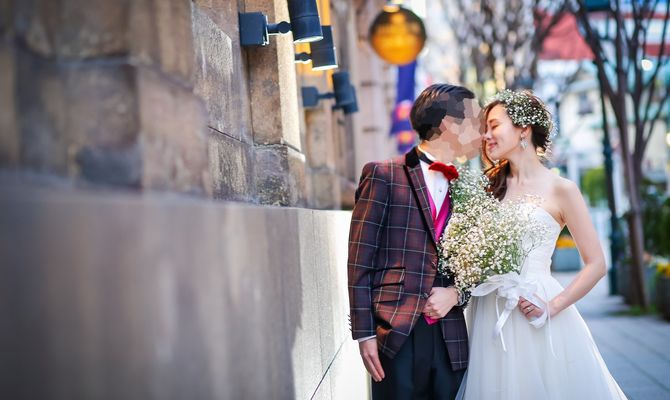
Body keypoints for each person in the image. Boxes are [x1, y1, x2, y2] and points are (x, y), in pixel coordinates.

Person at [456, 89, 627, 399]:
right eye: (485, 128)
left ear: (523, 129)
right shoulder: (487, 188)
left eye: (494, 126)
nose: (486, 136)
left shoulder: (562, 189)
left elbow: (597, 264)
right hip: (490, 310)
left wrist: (551, 307)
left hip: (536, 310)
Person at [347, 83, 482, 399]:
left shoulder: (469, 189)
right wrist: (364, 334)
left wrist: (457, 294)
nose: (481, 131)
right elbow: (359, 260)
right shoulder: (384, 174)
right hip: (395, 333)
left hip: (450, 335)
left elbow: (479, 261)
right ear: (449, 124)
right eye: (475, 121)